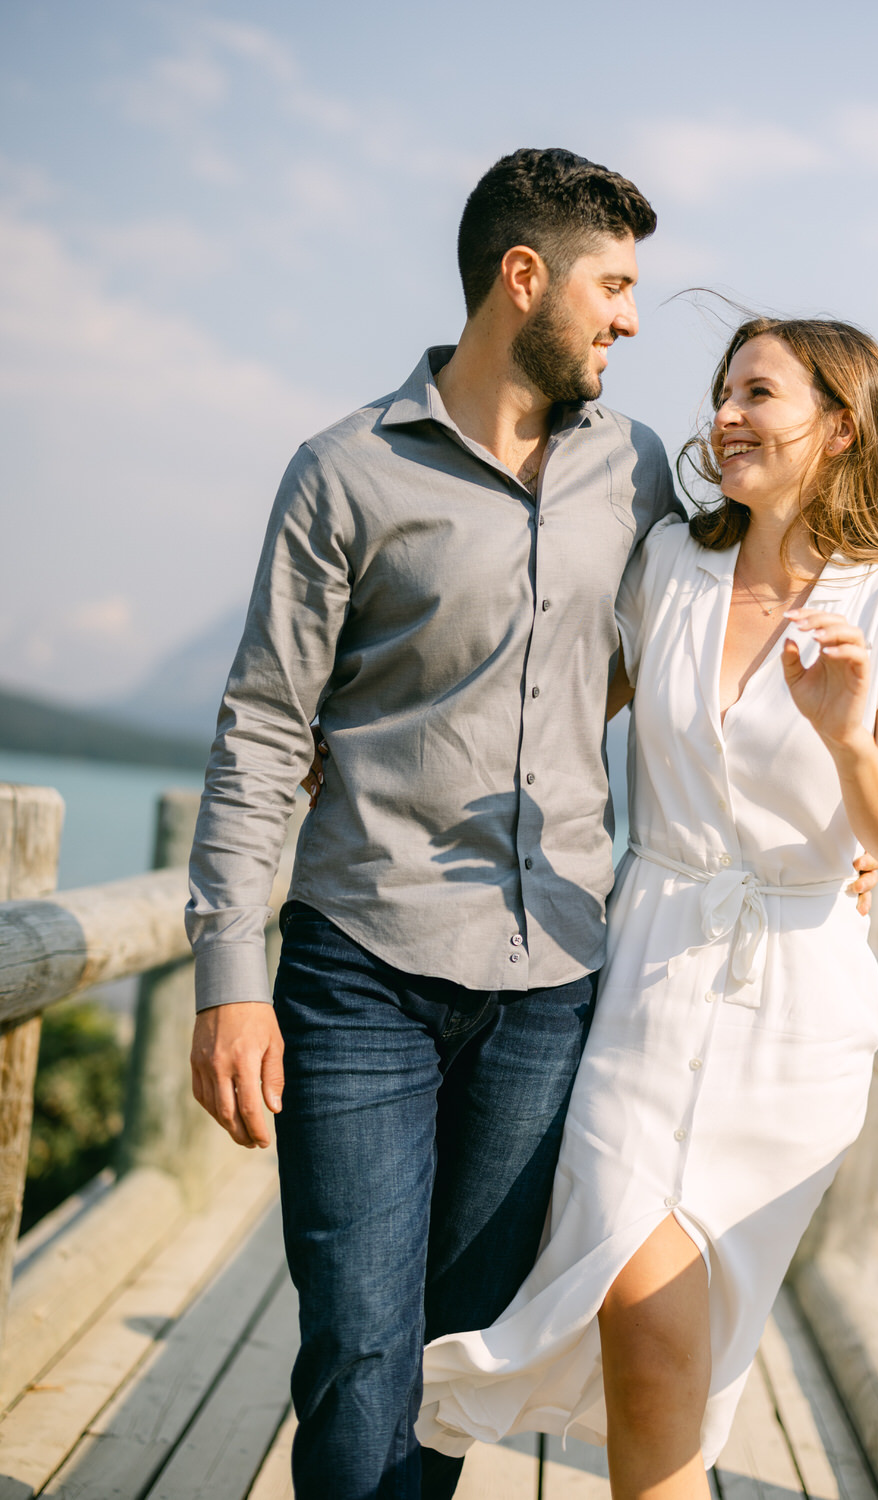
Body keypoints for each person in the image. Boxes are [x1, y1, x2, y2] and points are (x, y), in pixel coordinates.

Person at [185, 146, 688, 1500]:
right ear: (522, 279)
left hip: (552, 988)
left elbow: (713, 646)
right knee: (360, 1351)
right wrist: (232, 984)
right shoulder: (343, 473)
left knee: (451, 1356)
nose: (631, 320)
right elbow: (263, 730)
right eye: (616, 286)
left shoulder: (635, 468)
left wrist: (826, 805)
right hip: (362, 974)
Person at [417, 317, 878, 1499]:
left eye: (756, 394)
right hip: (647, 977)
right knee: (636, 1301)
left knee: (677, 1349)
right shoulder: (668, 566)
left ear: (840, 424)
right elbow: (549, 705)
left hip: (795, 1017)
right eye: (720, 391)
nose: (722, 417)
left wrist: (846, 737)